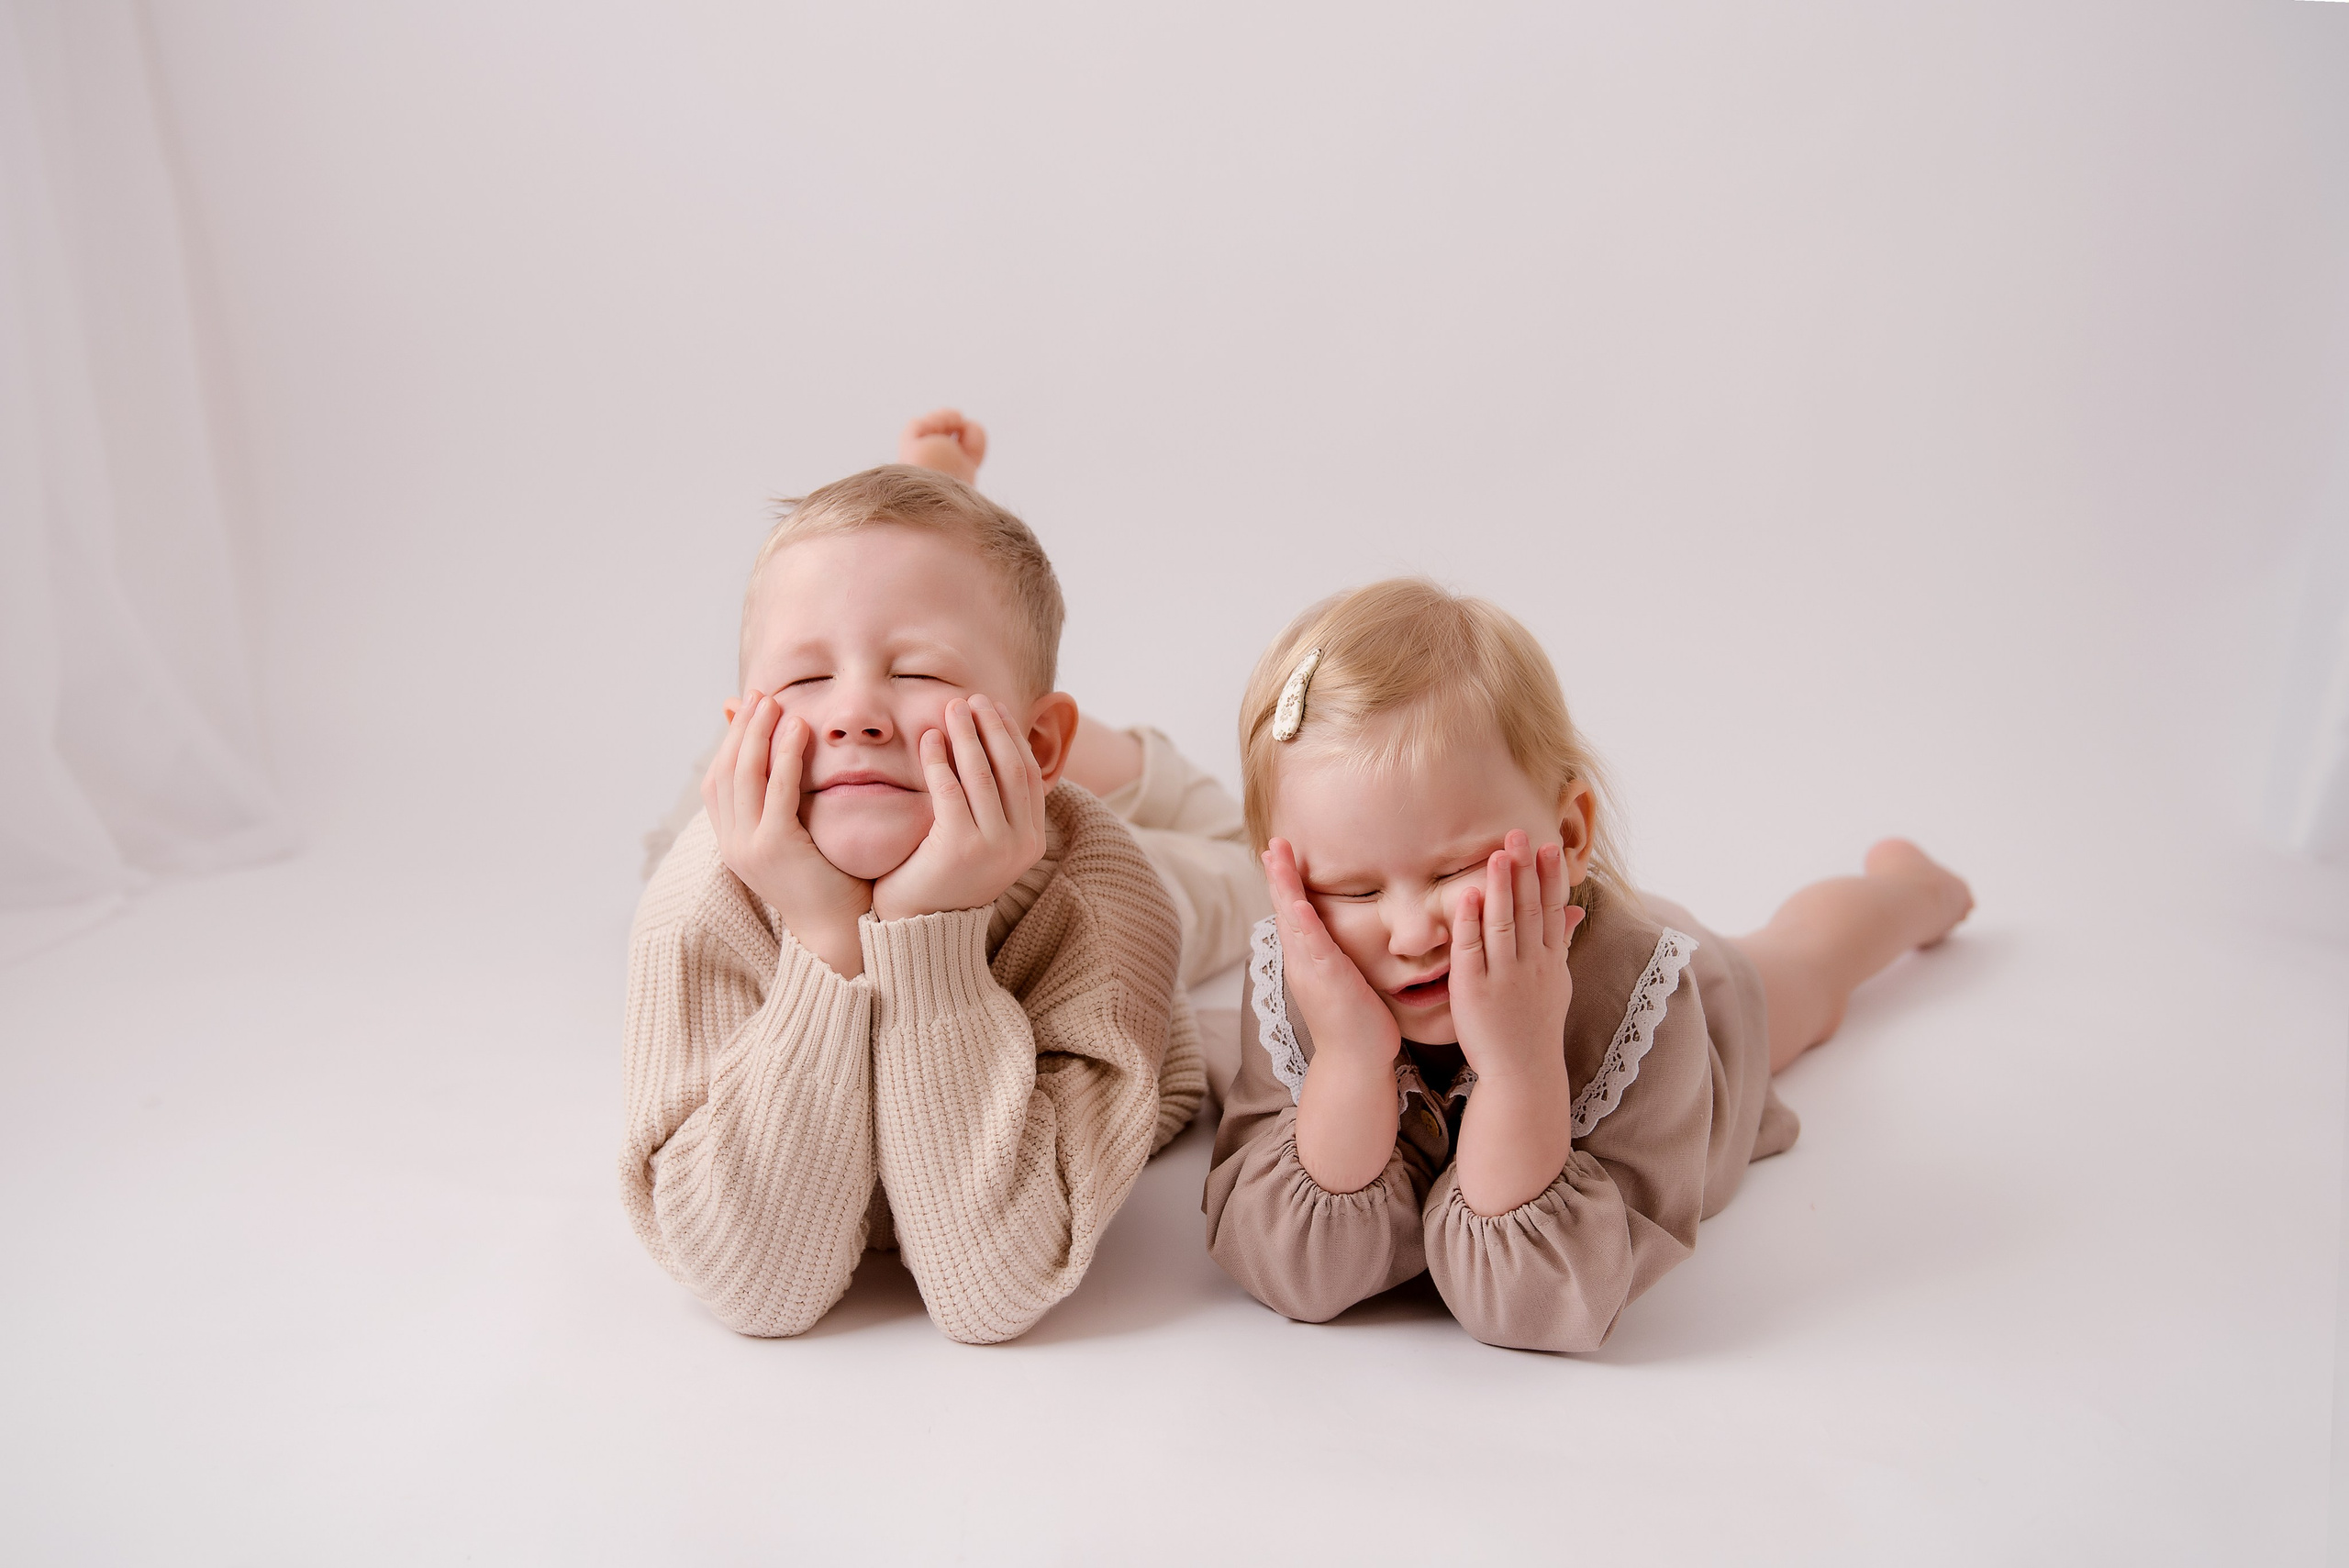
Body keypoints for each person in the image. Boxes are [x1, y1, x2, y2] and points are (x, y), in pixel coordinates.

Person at [1204, 579, 1972, 1351]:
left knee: (1807, 964)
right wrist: (1347, 1060)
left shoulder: (1643, 1003)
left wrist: (1520, 1065)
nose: (1409, 932)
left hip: (1675, 1012)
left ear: (1569, 833)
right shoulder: (1300, 975)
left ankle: (1909, 891)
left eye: (1453, 871)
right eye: (1352, 887)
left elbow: (1531, 1304)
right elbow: (1297, 1273)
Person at [622, 418, 1263, 1344]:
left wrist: (929, 925)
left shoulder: (1103, 896)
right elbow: (755, 1286)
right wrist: (822, 930)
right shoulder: (697, 897)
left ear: (1038, 742)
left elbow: (990, 1289)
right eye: (806, 675)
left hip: (1039, 846)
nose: (851, 712)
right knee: (670, 838)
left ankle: (1091, 750)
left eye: (917, 668)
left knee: (1244, 861)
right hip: (790, 814)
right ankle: (926, 504)